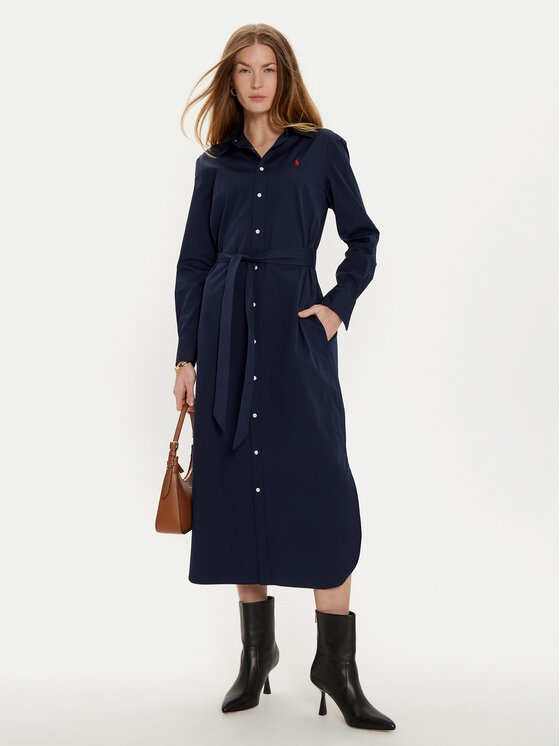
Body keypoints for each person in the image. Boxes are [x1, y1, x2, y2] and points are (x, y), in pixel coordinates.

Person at [172, 24, 396, 732]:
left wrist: (335, 307)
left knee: (323, 485)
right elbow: (194, 263)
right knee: (237, 483)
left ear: (285, 75)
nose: (257, 81)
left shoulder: (322, 151)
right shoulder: (215, 165)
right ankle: (257, 654)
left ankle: (337, 665)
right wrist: (187, 357)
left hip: (296, 342)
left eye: (268, 68)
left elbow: (363, 238)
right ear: (231, 80)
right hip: (225, 342)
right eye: (244, 70)